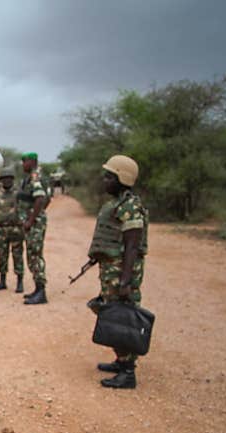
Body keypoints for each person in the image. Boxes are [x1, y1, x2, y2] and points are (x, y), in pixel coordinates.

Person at [87, 154, 149, 389]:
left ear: (122, 179)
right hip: (111, 269)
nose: (105, 180)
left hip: (121, 272)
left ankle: (127, 372)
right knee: (112, 314)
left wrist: (125, 281)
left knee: (123, 318)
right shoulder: (117, 203)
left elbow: (132, 245)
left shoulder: (130, 206)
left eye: (109, 176)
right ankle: (120, 360)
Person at [19, 152, 49, 305]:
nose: (23, 164)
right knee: (32, 254)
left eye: (24, 161)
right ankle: (37, 289)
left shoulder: (35, 177)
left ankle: (41, 292)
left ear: (32, 161)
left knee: (35, 255)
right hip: (34, 222)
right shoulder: (32, 177)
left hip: (34, 224)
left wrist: (31, 220)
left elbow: (40, 198)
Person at [0, 167, 24, 293]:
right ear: (1, 180)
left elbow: (26, 209)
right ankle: (2, 281)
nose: (7, 181)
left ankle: (20, 282)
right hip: (1, 229)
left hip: (16, 229)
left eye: (9, 178)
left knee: (17, 255)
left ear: (12, 179)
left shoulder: (19, 192)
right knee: (2, 256)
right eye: (4, 179)